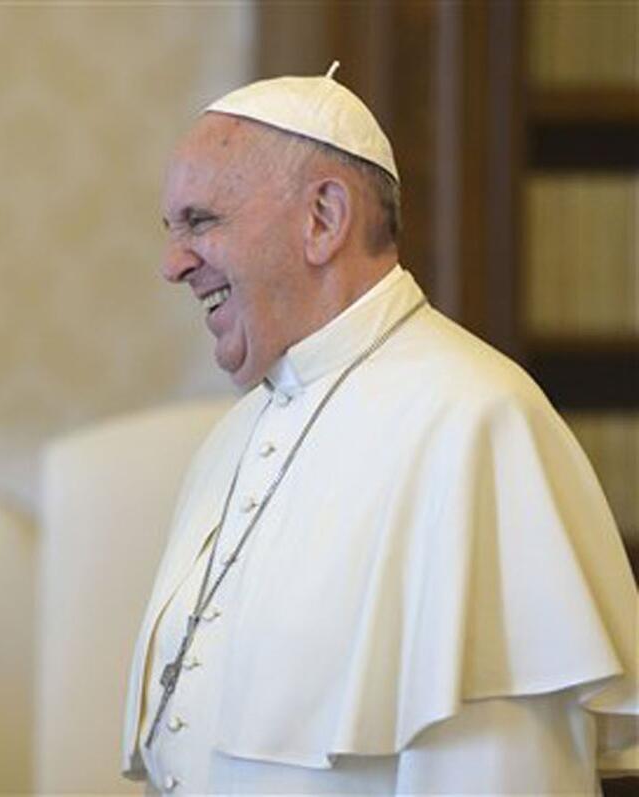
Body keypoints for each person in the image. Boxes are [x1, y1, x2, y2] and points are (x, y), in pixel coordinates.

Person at [122, 65, 638, 794]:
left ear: (323, 219)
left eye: (201, 221)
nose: (173, 263)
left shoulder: (477, 426)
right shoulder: (233, 438)